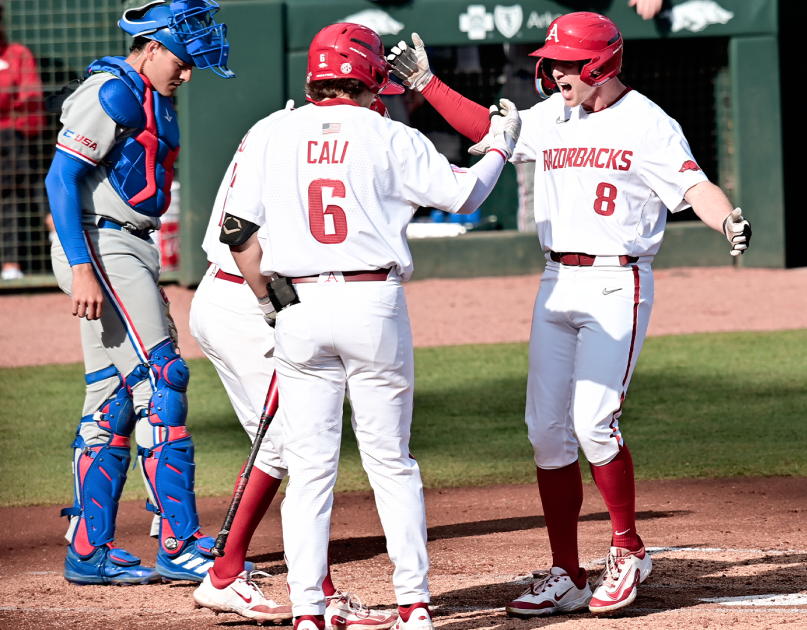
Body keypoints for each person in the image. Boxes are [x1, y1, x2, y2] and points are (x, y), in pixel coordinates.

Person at [388, 12, 750, 617]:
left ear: (601, 65)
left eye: (566, 63)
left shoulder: (648, 122)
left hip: (617, 280)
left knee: (594, 424)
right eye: (551, 62)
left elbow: (693, 187)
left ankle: (629, 549)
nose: (555, 72)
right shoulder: (554, 116)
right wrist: (427, 85)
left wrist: (727, 218)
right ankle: (567, 571)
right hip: (557, 280)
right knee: (546, 434)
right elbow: (490, 128)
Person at [219, 22, 519, 630]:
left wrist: (273, 303)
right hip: (371, 303)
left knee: (308, 471)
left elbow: (235, 231)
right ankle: (413, 606)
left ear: (314, 76)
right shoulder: (388, 133)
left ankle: (307, 612)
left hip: (299, 303)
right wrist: (500, 147)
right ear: (371, 76)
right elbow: (464, 197)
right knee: (390, 462)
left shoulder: (276, 134)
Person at [189, 96, 402, 628]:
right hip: (249, 296)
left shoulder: (285, 127)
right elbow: (239, 230)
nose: (385, 110)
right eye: (379, 97)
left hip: (244, 293)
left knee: (288, 445)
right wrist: (272, 304)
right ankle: (240, 576)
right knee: (295, 444)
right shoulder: (297, 135)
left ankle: (232, 571)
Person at [45, 0, 238, 585]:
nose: (186, 72)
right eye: (180, 60)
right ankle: (180, 544)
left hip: (125, 247)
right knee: (162, 379)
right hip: (101, 246)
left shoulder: (151, 95)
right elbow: (60, 178)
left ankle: (88, 550)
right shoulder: (111, 91)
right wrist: (82, 267)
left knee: (112, 397)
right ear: (151, 46)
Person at [0, 2, 46, 280]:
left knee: (12, 188)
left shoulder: (17, 54)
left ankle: (11, 264)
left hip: (13, 142)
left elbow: (30, 100)